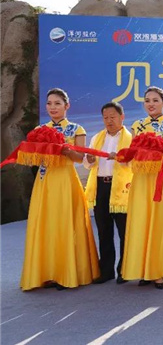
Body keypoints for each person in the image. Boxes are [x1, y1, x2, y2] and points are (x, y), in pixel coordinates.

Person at [20, 88, 99, 291]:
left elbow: (80, 159)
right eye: (49, 103)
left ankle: (66, 273)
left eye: (57, 103)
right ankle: (47, 273)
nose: (52, 107)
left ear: (67, 106)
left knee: (65, 224)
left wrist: (64, 149)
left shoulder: (76, 129)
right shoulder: (40, 129)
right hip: (45, 180)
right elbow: (34, 159)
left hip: (65, 180)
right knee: (46, 224)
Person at [122, 86, 163, 289]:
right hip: (142, 179)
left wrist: (162, 150)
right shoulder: (138, 126)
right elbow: (131, 152)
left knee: (160, 222)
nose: (151, 104)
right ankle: (144, 270)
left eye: (155, 100)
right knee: (142, 221)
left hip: (162, 178)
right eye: (147, 100)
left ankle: (158, 271)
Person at [84, 102, 133, 284]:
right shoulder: (97, 137)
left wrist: (120, 157)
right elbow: (87, 164)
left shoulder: (131, 138)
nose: (109, 121)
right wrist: (89, 159)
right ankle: (106, 271)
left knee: (124, 231)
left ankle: (124, 270)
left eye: (113, 117)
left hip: (122, 188)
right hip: (101, 187)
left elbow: (135, 163)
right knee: (104, 230)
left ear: (122, 117)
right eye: (105, 117)